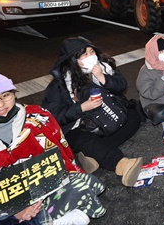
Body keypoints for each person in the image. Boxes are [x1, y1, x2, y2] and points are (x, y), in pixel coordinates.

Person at [0, 73, 107, 225]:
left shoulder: (39, 118)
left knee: (81, 185)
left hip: (43, 192)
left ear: (15, 94)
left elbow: (62, 159)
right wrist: (13, 211)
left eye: (5, 95)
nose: (0, 104)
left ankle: (47, 218)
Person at [42, 36, 143, 187]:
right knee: (79, 137)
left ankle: (93, 155)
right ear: (72, 60)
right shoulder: (60, 85)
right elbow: (53, 115)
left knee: (134, 116)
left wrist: (103, 78)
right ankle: (122, 164)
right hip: (80, 125)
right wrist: (82, 107)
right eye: (84, 55)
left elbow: (121, 86)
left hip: (107, 115)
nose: (91, 57)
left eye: (91, 52)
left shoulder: (104, 67)